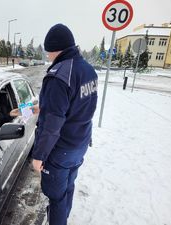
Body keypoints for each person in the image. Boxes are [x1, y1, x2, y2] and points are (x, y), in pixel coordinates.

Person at [31, 24, 98, 225]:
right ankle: (63, 218)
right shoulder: (87, 70)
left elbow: (52, 126)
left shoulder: (59, 76)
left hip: (60, 150)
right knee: (68, 187)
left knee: (56, 197)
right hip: (80, 144)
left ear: (55, 48)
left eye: (48, 51)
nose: (48, 56)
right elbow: (78, 107)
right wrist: (41, 107)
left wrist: (38, 156)